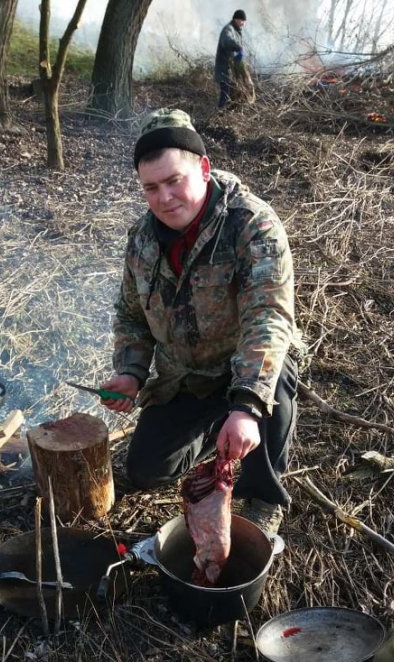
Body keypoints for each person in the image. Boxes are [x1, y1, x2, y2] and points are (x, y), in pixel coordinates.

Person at [99, 109, 297, 537]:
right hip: (185, 376)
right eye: (151, 188)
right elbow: (131, 314)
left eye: (174, 181)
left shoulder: (251, 225)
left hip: (245, 367)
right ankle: (217, 423)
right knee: (147, 471)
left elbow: (268, 319)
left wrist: (245, 406)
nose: (164, 198)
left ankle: (266, 494)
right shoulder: (142, 239)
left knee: (273, 378)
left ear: (203, 169)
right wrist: (132, 371)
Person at [214, 10, 247, 109]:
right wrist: (239, 48)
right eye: (242, 20)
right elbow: (227, 41)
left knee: (231, 91)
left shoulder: (236, 30)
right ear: (237, 19)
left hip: (230, 69)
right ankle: (220, 113)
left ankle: (226, 112)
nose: (243, 23)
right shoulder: (228, 29)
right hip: (223, 68)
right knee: (225, 92)